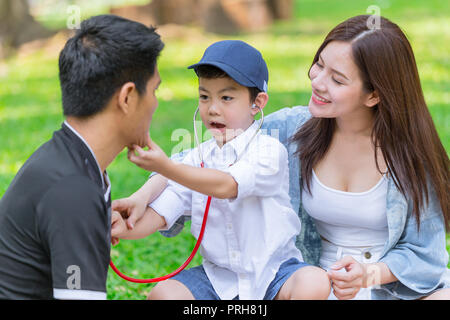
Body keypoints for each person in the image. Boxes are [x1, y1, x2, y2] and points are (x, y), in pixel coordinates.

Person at [113, 15, 450, 300]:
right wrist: (143, 196)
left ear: (374, 94)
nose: (317, 82)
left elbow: (425, 254)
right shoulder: (290, 129)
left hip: (385, 286)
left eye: (337, 78)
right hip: (315, 284)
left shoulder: (410, 156)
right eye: (319, 64)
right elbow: (195, 159)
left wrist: (369, 274)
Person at [111, 40, 331, 300]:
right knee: (164, 294)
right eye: (204, 96)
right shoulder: (196, 158)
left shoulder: (269, 152)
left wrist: (167, 167)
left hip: (275, 274)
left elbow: (228, 185)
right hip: (217, 279)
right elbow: (158, 215)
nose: (212, 108)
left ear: (257, 103)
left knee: (312, 282)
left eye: (226, 97)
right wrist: (116, 228)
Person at [0, 15, 164, 299]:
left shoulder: (68, 160)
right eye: (153, 90)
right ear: (127, 98)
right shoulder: (73, 188)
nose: (156, 102)